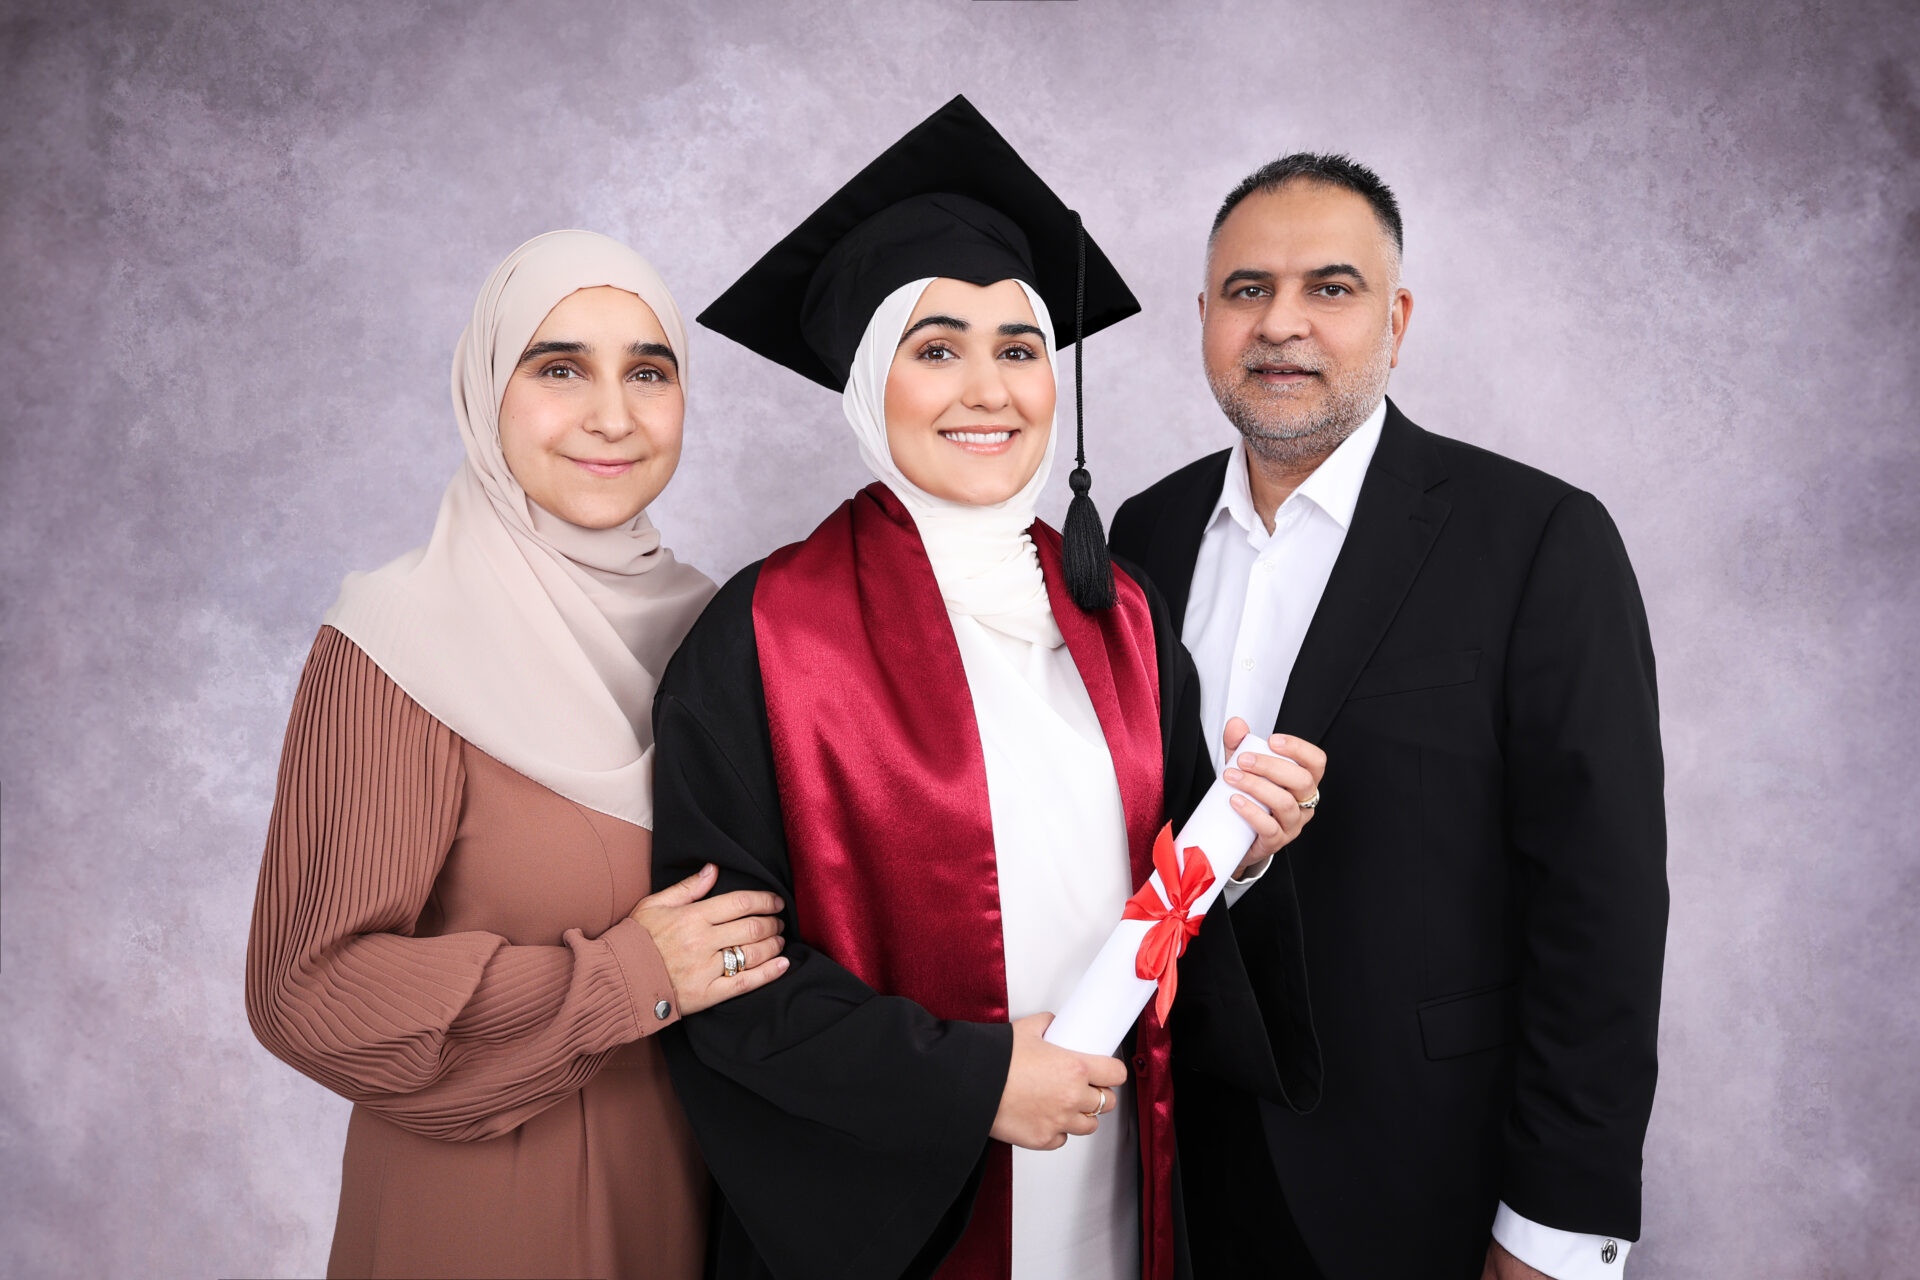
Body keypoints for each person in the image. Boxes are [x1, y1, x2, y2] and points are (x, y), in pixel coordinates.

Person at [647, 97, 1325, 1280]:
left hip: (1114, 1162)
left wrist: (1246, 837)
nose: (990, 390)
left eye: (1019, 349)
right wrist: (977, 1079)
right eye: (936, 347)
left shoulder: (1119, 611)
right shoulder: (760, 634)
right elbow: (728, 979)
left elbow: (1159, 874)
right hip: (908, 1194)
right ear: (869, 382)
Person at [1109, 155, 1668, 1280]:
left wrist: (1557, 1225)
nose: (1283, 325)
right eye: (1247, 289)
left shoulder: (1537, 537)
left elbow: (1600, 906)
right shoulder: (1145, 533)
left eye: (1332, 286)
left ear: (1396, 319)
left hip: (1427, 1173)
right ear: (1205, 316)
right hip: (1176, 1168)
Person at [244, 230, 789, 1280]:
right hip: (485, 1206)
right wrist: (632, 975)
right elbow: (306, 989)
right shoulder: (397, 639)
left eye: (648, 370)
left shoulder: (720, 630)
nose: (612, 415)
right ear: (486, 387)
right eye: (558, 368)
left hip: (697, 1196)